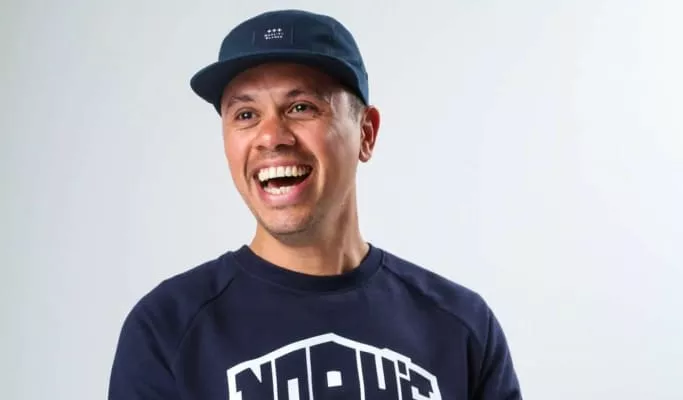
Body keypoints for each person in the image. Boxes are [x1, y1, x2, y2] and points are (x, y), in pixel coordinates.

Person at [108, 9, 523, 400]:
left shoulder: (460, 326)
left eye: (301, 107)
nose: (272, 137)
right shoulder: (168, 328)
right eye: (246, 115)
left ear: (366, 133)